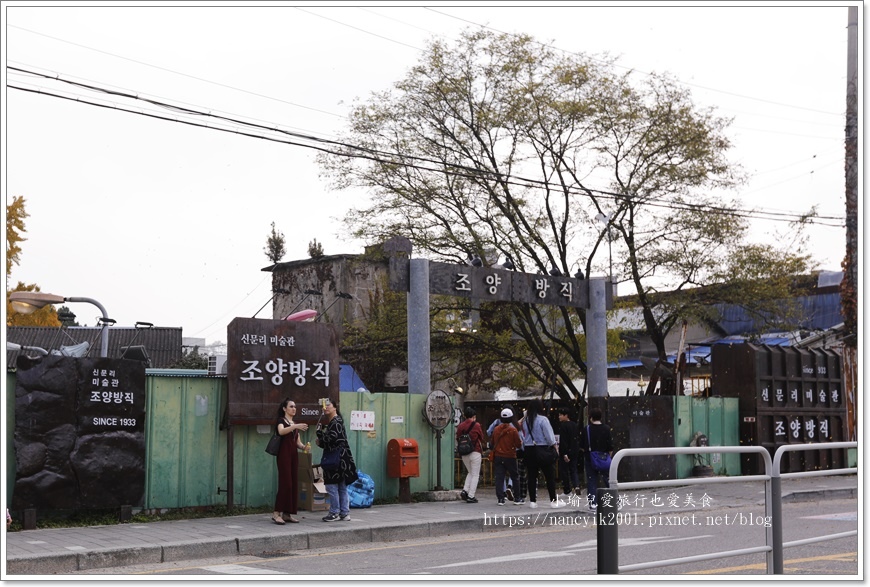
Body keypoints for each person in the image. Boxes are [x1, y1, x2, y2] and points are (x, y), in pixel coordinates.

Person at [316, 398, 358, 522]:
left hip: (335, 460)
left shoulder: (336, 422)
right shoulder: (335, 422)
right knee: (341, 487)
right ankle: (344, 513)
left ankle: (334, 512)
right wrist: (321, 440)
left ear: (335, 408)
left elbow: (332, 440)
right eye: (325, 405)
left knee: (331, 486)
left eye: (329, 405)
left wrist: (319, 434)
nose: (326, 407)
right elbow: (333, 441)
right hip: (342, 460)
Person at [521, 399, 565, 509]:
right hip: (542, 449)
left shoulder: (526, 421)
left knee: (531, 476)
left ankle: (532, 501)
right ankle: (553, 500)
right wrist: (555, 447)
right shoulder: (543, 420)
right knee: (549, 476)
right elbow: (550, 437)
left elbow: (524, 435)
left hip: (529, 450)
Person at [272, 398, 309, 525]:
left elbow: (297, 442)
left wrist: (304, 447)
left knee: (293, 484)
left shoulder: (294, 424)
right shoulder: (281, 421)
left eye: (295, 407)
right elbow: (281, 431)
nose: (294, 409)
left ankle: (287, 514)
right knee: (285, 483)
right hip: (284, 455)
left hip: (293, 455)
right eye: (291, 406)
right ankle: (277, 513)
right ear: (284, 409)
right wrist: (295, 426)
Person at [581, 407, 614, 510]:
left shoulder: (586, 429)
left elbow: (582, 445)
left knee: (591, 480)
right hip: (604, 457)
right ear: (600, 417)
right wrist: (609, 456)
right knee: (608, 480)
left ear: (591, 418)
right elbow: (610, 446)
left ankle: (593, 503)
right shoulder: (606, 428)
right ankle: (615, 500)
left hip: (590, 458)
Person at [491, 408, 522, 506]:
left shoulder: (496, 429)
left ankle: (501, 499)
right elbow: (518, 444)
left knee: (499, 477)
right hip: (510, 456)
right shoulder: (513, 430)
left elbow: (492, 443)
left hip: (498, 456)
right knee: (515, 477)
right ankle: (517, 498)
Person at [455, 406, 485, 504]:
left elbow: (458, 438)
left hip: (464, 453)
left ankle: (465, 491)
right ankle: (471, 496)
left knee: (470, 472)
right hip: (475, 451)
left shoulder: (460, 426)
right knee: (475, 474)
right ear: (473, 416)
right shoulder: (476, 425)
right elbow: (482, 437)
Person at [557, 408, 581, 497]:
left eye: (561, 415)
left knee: (564, 471)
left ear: (566, 415)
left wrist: (564, 453)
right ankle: (576, 485)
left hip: (566, 452)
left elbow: (563, 441)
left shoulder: (563, 426)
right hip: (574, 451)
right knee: (573, 469)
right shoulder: (575, 425)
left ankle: (567, 490)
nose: (559, 417)